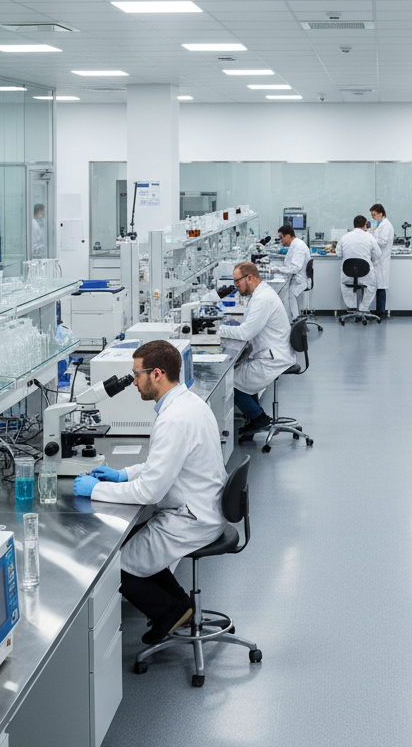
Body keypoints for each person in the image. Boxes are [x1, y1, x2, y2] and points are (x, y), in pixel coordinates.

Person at [72, 340, 227, 645]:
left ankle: (169, 613)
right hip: (201, 506)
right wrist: (122, 474)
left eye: (137, 374)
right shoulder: (188, 403)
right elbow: (163, 464)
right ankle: (181, 606)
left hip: (191, 518)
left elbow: (150, 491)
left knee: (111, 564)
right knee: (131, 544)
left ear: (157, 374)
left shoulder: (174, 419)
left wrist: (97, 490)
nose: (134, 382)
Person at [218, 261, 297, 441]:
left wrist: (218, 330)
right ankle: (254, 417)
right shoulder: (261, 293)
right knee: (240, 373)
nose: (236, 287)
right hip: (271, 351)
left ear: (250, 278)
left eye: (237, 282)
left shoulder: (262, 299)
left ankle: (260, 419)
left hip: (273, 358)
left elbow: (246, 333)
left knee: (230, 381)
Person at [336, 215, 381, 313]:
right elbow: (377, 255)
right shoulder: (369, 237)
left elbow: (338, 253)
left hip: (348, 273)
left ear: (354, 225)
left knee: (345, 285)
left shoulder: (345, 237)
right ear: (365, 224)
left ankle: (352, 306)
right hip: (365, 273)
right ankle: (363, 308)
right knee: (372, 286)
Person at [276, 223, 310, 320]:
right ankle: (292, 319)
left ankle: (295, 321)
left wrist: (278, 269)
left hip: (300, 280)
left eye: (282, 237)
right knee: (284, 292)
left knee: (288, 294)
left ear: (288, 235)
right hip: (297, 277)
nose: (281, 241)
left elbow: (295, 268)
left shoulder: (298, 246)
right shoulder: (295, 244)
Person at [369, 204, 394, 317]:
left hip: (381, 260)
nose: (373, 217)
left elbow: (382, 242)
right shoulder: (381, 225)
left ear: (380, 213)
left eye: (374, 215)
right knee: (378, 286)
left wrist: (371, 237)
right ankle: (378, 310)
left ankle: (381, 312)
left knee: (381, 286)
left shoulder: (386, 225)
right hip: (378, 260)